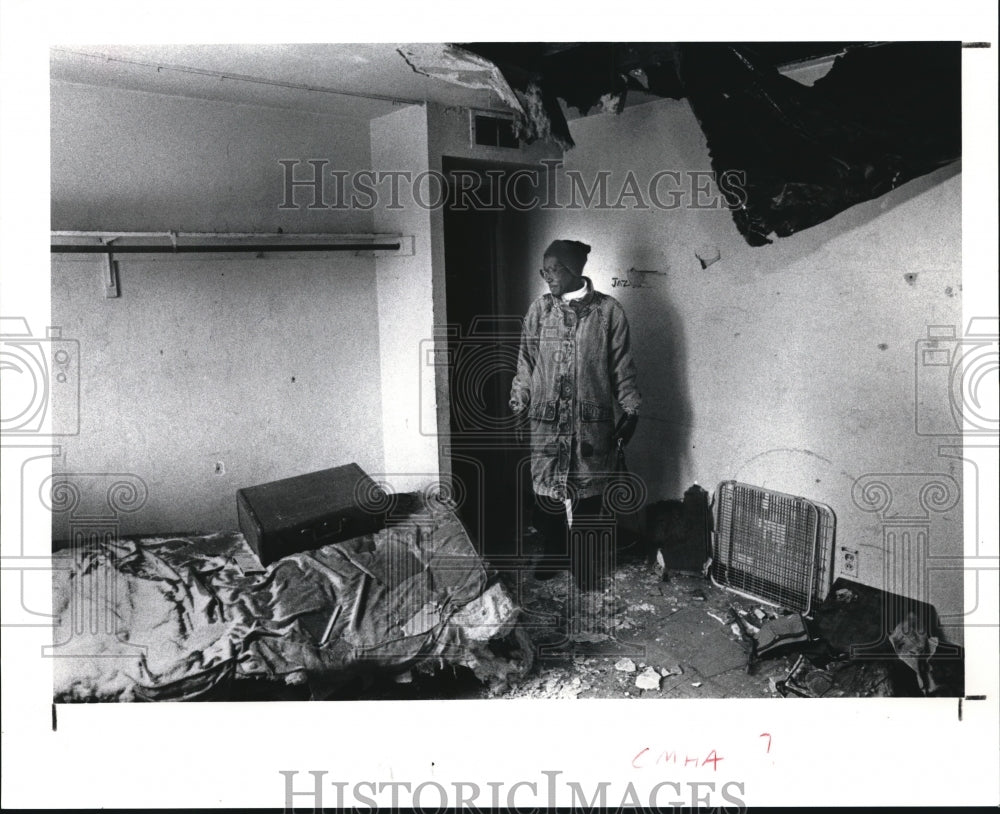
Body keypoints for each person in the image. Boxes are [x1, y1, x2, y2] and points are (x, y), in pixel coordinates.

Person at [509, 239, 641, 592]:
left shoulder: (608, 311)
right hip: (546, 420)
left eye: (555, 269)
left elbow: (621, 366)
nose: (548, 277)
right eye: (544, 270)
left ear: (575, 270)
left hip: (589, 421)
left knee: (587, 496)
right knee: (547, 495)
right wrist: (519, 402)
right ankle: (555, 553)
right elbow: (526, 363)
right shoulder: (539, 310)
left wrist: (631, 408)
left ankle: (583, 562)